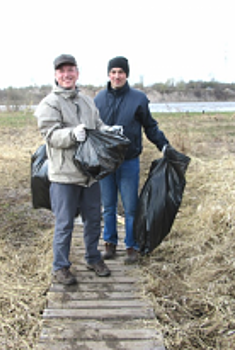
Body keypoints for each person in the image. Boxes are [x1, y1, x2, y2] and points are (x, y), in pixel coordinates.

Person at [34, 54, 116, 285]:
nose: (66, 75)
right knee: (64, 223)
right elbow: (50, 135)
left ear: (77, 73)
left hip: (90, 173)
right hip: (64, 175)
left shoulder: (87, 101)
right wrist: (72, 134)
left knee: (93, 218)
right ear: (55, 75)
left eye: (70, 70)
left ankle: (93, 257)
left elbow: (97, 124)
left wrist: (107, 130)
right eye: (62, 71)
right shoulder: (49, 103)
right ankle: (60, 266)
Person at [94, 56, 169, 264]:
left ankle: (131, 246)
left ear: (126, 74)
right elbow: (92, 129)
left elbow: (150, 127)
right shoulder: (98, 99)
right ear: (108, 74)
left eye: (121, 72)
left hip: (129, 162)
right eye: (113, 72)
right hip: (105, 162)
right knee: (108, 206)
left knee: (131, 207)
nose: (117, 76)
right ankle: (109, 244)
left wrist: (163, 145)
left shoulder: (138, 99)